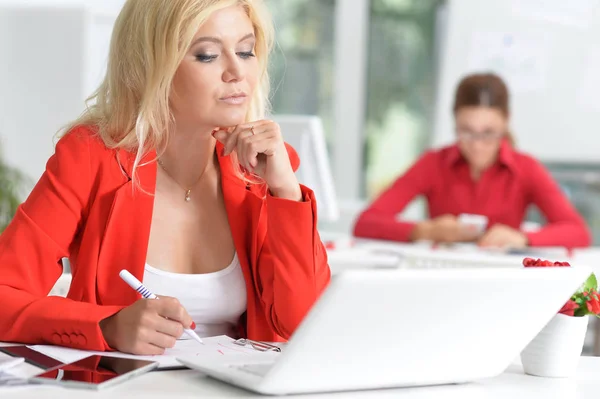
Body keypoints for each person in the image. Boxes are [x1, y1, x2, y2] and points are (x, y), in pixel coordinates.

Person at [0, 0, 330, 355]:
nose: (237, 72)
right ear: (152, 66)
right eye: (207, 55)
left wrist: (286, 192)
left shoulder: (260, 170)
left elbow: (306, 326)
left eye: (246, 51)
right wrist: (106, 326)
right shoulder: (91, 157)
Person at [354, 73, 591, 248]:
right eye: (466, 131)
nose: (477, 144)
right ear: (454, 122)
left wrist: (523, 238)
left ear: (506, 122)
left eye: (488, 133)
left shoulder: (525, 167)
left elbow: (578, 232)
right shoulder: (433, 163)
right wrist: (425, 230)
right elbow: (365, 223)